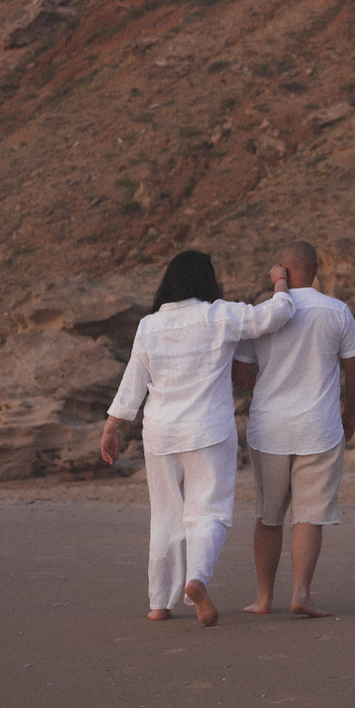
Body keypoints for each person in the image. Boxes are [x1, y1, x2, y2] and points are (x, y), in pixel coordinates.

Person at [100, 250, 295, 626]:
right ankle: (197, 580)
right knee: (209, 511)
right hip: (208, 430)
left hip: (160, 432)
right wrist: (280, 282)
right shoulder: (218, 315)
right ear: (208, 280)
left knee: (165, 515)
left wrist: (112, 426)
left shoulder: (149, 325)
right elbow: (276, 314)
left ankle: (159, 603)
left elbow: (133, 380)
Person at [231, 240, 355, 619]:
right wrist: (350, 414)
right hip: (319, 427)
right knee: (309, 515)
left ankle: (263, 598)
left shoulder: (262, 313)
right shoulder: (337, 311)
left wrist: (266, 385)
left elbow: (240, 371)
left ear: (281, 271)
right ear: (316, 269)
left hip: (269, 427)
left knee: (268, 516)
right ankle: (301, 594)